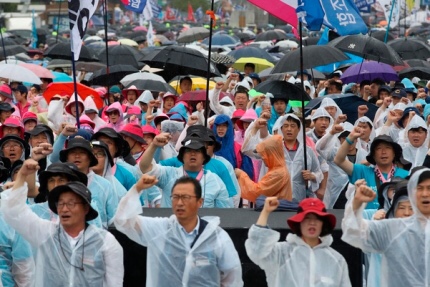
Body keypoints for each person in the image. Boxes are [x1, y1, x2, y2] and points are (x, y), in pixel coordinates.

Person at [1, 159, 124, 286]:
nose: (65, 209)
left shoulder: (106, 242)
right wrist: (22, 175)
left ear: (86, 208)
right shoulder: (45, 233)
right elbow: (14, 212)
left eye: (71, 203)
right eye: (60, 203)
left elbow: (114, 283)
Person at [114, 175, 243, 286]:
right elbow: (123, 221)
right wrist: (137, 188)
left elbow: (232, 276)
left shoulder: (215, 236)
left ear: (200, 201)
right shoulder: (160, 229)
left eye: (185, 197)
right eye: (175, 197)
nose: (179, 203)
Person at [341, 167, 430, 286]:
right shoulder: (389, 229)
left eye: (429, 189)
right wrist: (357, 204)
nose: (425, 193)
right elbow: (353, 232)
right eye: (420, 188)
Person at [245, 197, 351, 287]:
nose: (312, 223)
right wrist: (265, 211)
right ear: (299, 222)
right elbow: (257, 250)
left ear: (323, 224)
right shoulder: (281, 253)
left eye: (317, 219)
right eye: (307, 218)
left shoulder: (336, 260)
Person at [139, 134, 232, 208]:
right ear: (182, 157)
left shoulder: (216, 181)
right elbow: (145, 168)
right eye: (188, 150)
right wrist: (154, 145)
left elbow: (224, 213)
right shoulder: (169, 174)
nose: (192, 153)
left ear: (204, 157)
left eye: (197, 151)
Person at [334, 131, 409, 209]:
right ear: (373, 155)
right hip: (368, 220)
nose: (383, 152)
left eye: (388, 148)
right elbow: (338, 160)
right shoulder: (362, 172)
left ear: (394, 154)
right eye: (379, 148)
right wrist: (350, 138)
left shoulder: (406, 175)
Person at [235, 135, 292, 203]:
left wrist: (241, 174)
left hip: (276, 211)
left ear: (271, 155)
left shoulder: (278, 173)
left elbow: (257, 193)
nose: (262, 158)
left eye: (264, 155)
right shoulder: (276, 170)